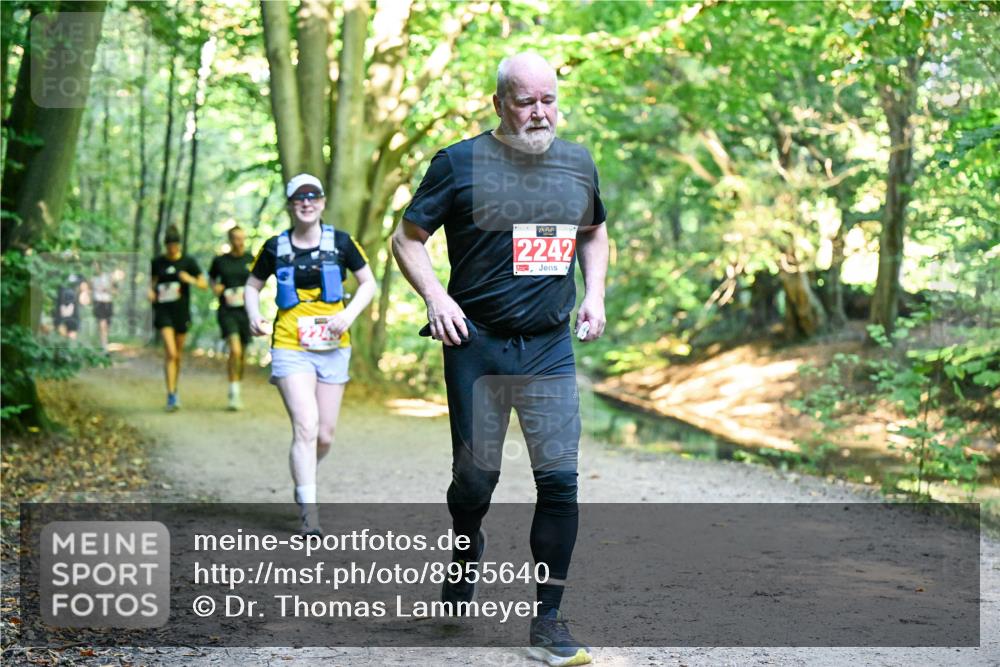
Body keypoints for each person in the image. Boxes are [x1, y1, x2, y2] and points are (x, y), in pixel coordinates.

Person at [392, 52, 608, 666]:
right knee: (477, 479)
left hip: (547, 345)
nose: (539, 112)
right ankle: (466, 545)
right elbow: (406, 239)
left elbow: (593, 230)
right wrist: (436, 297)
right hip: (477, 345)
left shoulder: (577, 162)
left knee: (560, 480)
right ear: (498, 105)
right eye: (525, 101)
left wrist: (593, 294)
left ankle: (548, 621)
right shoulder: (458, 163)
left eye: (548, 100)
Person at [244, 173, 376, 536]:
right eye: (299, 197)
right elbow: (252, 286)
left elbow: (369, 283)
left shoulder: (342, 242)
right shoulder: (274, 247)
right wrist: (254, 314)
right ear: (290, 204)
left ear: (322, 202)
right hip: (290, 346)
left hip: (333, 348)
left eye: (313, 196)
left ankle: (305, 476)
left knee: (325, 435)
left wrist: (347, 315)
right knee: (306, 425)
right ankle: (309, 512)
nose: (306, 202)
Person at [149, 224, 207, 411]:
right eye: (169, 246)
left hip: (181, 312)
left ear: (179, 245)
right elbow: (152, 284)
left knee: (178, 356)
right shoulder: (157, 262)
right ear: (165, 246)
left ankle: (174, 389)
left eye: (175, 245)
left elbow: (203, 284)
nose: (172, 249)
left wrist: (189, 279)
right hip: (163, 312)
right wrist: (150, 293)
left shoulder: (188, 262)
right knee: (171, 353)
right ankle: (171, 394)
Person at [209, 226, 253, 410]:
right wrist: (215, 287)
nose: (239, 242)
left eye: (242, 238)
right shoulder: (220, 261)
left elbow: (260, 281)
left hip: (246, 311)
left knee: (242, 355)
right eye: (236, 238)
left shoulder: (251, 260)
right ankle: (234, 393)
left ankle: (236, 385)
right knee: (234, 350)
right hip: (227, 311)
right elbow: (211, 278)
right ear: (230, 240)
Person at [90, 262, 117, 352]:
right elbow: (88, 291)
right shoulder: (92, 279)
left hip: (108, 303)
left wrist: (108, 289)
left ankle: (104, 344)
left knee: (106, 327)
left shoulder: (108, 277)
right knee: (102, 325)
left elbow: (115, 291)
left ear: (100, 267)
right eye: (93, 267)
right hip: (98, 303)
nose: (95, 269)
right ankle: (104, 348)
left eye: (96, 267)